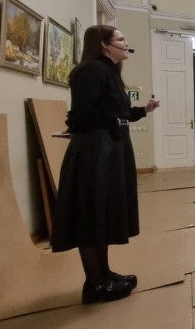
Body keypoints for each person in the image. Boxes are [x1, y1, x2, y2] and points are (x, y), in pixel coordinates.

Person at [51, 25, 161, 304]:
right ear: (104, 44)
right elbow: (83, 115)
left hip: (110, 149)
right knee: (92, 213)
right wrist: (107, 125)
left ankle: (104, 273)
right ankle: (94, 284)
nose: (126, 43)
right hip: (96, 151)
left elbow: (117, 113)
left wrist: (144, 110)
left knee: (102, 212)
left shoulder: (110, 72)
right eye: (121, 39)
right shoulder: (92, 71)